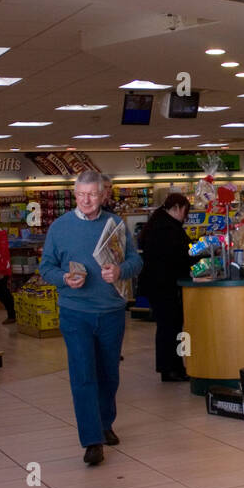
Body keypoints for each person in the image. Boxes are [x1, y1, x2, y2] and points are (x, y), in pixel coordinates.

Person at [39, 170, 142, 465]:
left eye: (93, 194)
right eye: (81, 194)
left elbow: (137, 260)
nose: (86, 200)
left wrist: (121, 270)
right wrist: (63, 278)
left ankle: (105, 422)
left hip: (111, 312)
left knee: (109, 373)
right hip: (75, 313)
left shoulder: (117, 225)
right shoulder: (59, 228)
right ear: (74, 194)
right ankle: (92, 440)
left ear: (103, 195)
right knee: (83, 374)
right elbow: (46, 267)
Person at [137, 193, 192, 382]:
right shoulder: (167, 227)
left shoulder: (159, 223)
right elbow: (178, 256)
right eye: (185, 211)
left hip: (159, 285)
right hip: (164, 285)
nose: (185, 216)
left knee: (168, 327)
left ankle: (171, 367)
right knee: (171, 327)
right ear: (177, 207)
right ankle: (171, 368)